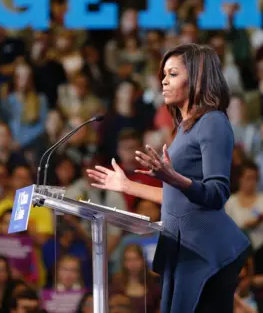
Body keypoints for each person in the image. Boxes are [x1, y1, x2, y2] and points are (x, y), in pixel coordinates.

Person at [87, 44, 250, 313]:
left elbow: (217, 193)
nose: (163, 80)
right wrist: (127, 186)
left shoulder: (213, 121)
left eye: (173, 74)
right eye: (163, 74)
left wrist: (172, 177)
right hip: (185, 246)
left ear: (196, 78)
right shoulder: (185, 129)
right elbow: (176, 199)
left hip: (206, 250)